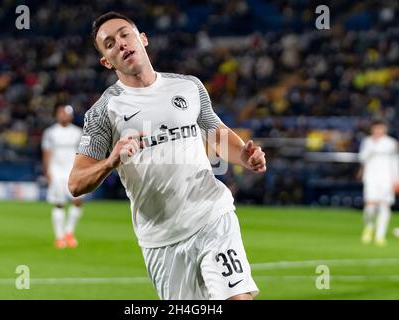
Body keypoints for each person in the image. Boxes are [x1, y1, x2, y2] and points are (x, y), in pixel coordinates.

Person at [68, 12, 267, 300]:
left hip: (212, 215)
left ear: (143, 39)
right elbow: (75, 183)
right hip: (161, 240)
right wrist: (112, 161)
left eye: (125, 34)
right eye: (110, 44)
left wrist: (245, 158)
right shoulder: (103, 112)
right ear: (106, 62)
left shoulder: (188, 86)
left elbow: (216, 133)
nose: (121, 44)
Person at [42, 104, 84, 249]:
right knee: (58, 203)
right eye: (61, 113)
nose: (63, 115)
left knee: (78, 201)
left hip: (72, 171)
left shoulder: (78, 132)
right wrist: (47, 171)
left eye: (66, 113)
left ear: (71, 116)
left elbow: (83, 153)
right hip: (56, 171)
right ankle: (59, 237)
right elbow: (46, 152)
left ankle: (69, 232)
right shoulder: (50, 132)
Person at [359, 119, 399, 246]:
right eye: (376, 128)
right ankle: (369, 226)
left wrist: (396, 179)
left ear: (385, 129)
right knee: (370, 206)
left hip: (386, 178)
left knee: (384, 205)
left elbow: (395, 162)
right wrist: (373, 146)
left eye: (380, 128)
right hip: (371, 178)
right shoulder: (367, 142)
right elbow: (362, 158)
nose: (378, 131)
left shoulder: (391, 143)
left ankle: (380, 236)